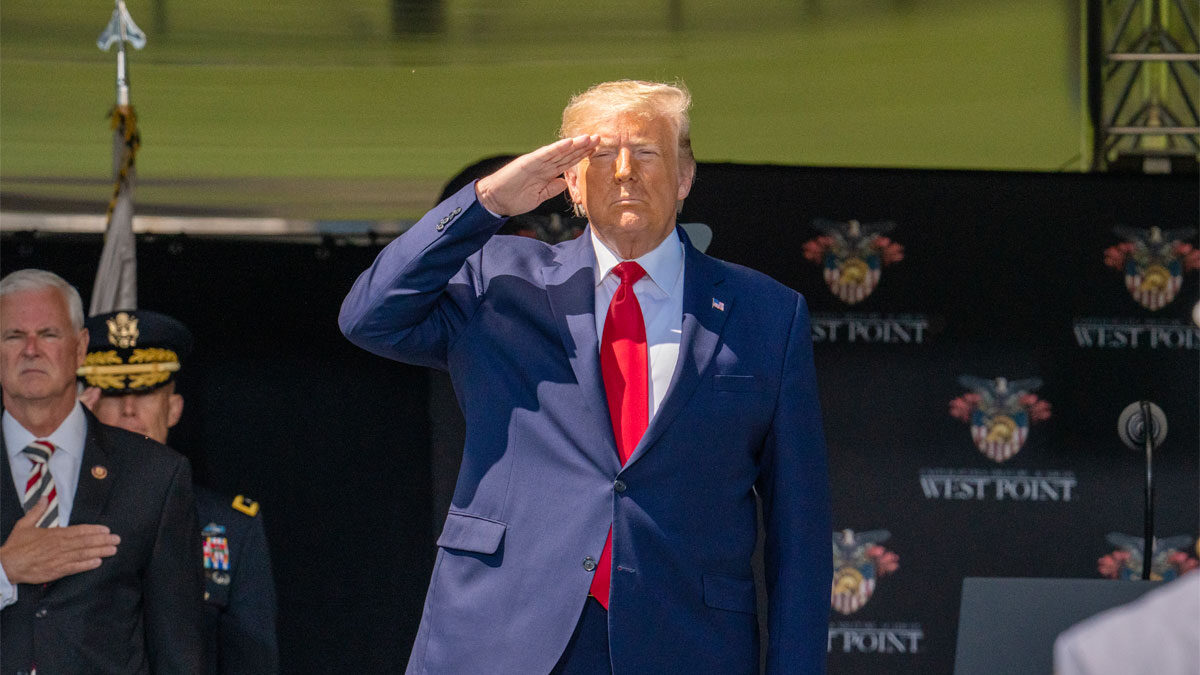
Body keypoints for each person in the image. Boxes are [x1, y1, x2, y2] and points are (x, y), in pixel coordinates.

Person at [340, 80, 831, 674]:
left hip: (684, 643)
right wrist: (487, 202)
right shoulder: (500, 280)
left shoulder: (766, 313)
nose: (624, 172)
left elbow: (799, 530)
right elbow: (369, 316)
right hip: (502, 635)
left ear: (684, 177)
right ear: (570, 181)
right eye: (600, 155)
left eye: (646, 152)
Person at [0, 269, 204, 673]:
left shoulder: (154, 474)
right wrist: (5, 570)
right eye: (13, 336)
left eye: (49, 334)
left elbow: (177, 649)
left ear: (79, 349)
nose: (31, 350)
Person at [78, 309, 280, 675]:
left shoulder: (231, 527)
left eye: (146, 391)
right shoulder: (57, 510)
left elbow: (252, 660)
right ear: (87, 406)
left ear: (173, 409)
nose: (129, 409)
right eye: (112, 392)